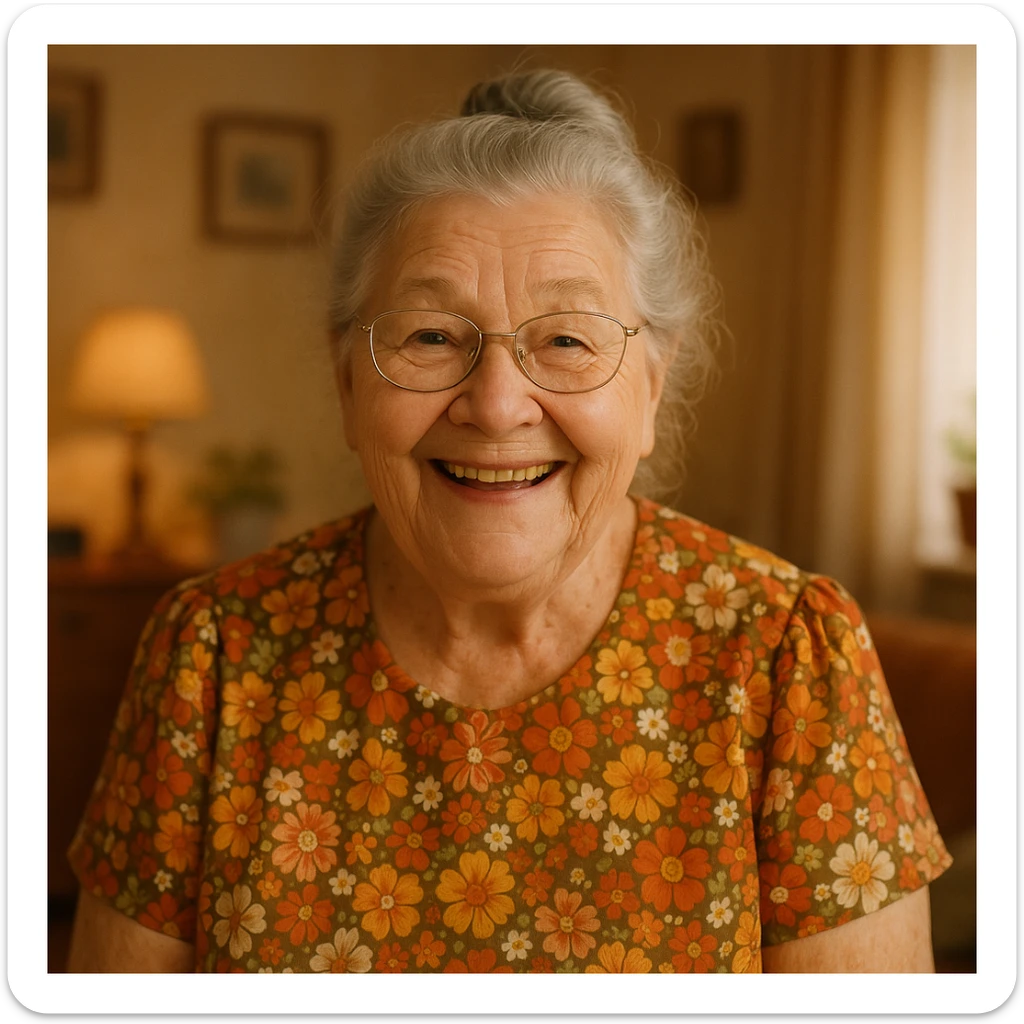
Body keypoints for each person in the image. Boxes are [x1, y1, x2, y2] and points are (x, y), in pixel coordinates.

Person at [66, 68, 951, 974]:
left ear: (648, 387)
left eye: (567, 339)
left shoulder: (791, 660)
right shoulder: (209, 657)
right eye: (431, 337)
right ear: (347, 382)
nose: (495, 405)